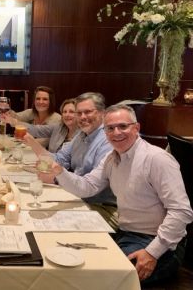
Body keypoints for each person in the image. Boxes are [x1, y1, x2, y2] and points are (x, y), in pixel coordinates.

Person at [42, 104, 193, 286]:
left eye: (123, 126)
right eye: (110, 128)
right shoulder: (112, 157)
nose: (116, 133)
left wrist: (152, 252)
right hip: (125, 233)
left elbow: (182, 212)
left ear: (136, 128)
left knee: (102, 280)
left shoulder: (157, 159)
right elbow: (88, 186)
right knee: (72, 260)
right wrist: (60, 172)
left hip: (160, 244)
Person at [24, 92, 116, 207]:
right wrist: (32, 142)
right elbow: (59, 159)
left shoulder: (108, 141)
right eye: (79, 113)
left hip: (98, 205)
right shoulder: (81, 134)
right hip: (76, 195)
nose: (83, 117)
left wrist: (56, 179)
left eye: (88, 112)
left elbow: (92, 187)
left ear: (102, 113)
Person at [3, 98, 78, 153]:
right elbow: (36, 129)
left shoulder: (83, 135)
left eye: (71, 112)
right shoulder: (58, 127)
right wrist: (11, 120)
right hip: (50, 164)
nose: (67, 115)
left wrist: (31, 142)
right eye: (64, 112)